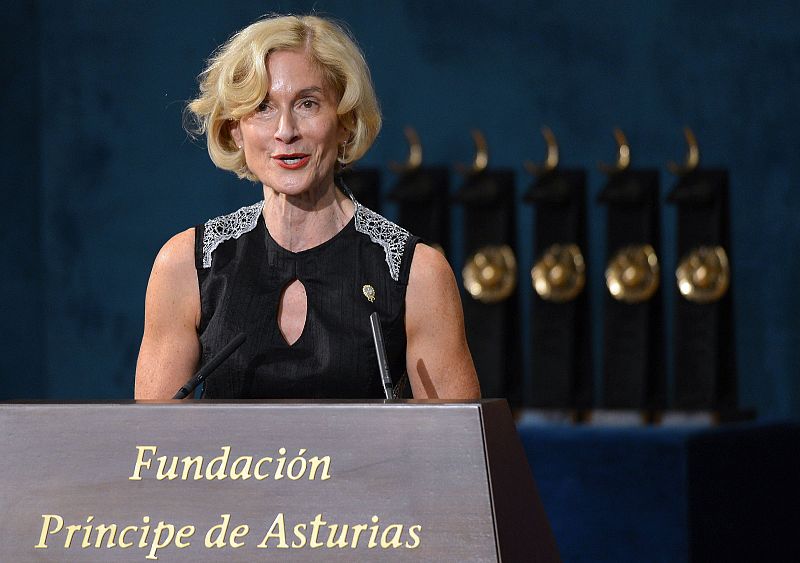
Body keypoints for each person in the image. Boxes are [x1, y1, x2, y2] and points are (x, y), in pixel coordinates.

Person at [134, 15, 480, 400]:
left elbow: (457, 452)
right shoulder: (186, 266)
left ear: (345, 121)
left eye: (307, 104)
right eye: (263, 107)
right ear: (235, 129)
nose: (286, 131)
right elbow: (153, 451)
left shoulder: (417, 275)